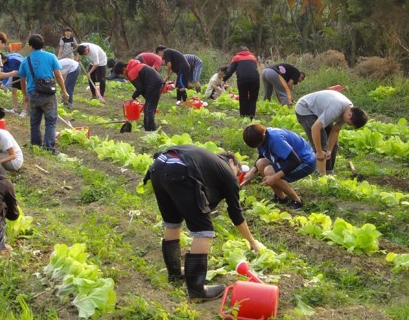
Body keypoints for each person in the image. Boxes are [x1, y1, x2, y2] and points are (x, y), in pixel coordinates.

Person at [144, 145, 260, 301]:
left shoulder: (207, 162)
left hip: (159, 166)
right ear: (231, 161)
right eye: (238, 172)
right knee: (204, 230)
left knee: (172, 222)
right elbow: (235, 214)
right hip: (179, 169)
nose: (237, 177)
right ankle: (197, 290)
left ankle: (175, 274)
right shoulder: (226, 171)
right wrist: (252, 241)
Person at [242, 124, 316, 209]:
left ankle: (297, 201)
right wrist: (251, 172)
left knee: (269, 171)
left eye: (259, 144)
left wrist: (274, 177)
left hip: (305, 161)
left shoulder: (276, 139)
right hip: (288, 159)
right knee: (260, 163)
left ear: (264, 134)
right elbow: (262, 156)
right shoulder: (259, 137)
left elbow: (295, 161)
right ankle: (281, 198)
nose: (259, 146)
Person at [295, 90, 368, 175]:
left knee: (333, 145)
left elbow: (335, 130)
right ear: (349, 116)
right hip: (305, 108)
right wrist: (319, 151)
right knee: (322, 144)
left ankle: (329, 172)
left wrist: (329, 150)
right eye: (348, 123)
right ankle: (321, 176)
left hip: (320, 111)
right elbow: (315, 128)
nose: (347, 124)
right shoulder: (336, 108)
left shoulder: (349, 110)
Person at [19, 34, 70, 154]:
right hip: (48, 94)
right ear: (42, 45)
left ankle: (36, 145)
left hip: (33, 93)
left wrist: (25, 95)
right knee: (51, 121)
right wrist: (64, 91)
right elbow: (58, 76)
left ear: (30, 46)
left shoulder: (25, 61)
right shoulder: (51, 57)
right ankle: (49, 147)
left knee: (34, 122)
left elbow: (22, 80)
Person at [113, 59, 163, 131]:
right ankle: (148, 126)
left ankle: (150, 130)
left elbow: (140, 88)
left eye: (120, 74)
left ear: (124, 69)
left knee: (148, 109)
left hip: (154, 84)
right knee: (149, 107)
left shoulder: (131, 72)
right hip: (155, 82)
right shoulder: (133, 67)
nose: (122, 76)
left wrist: (133, 97)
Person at [223, 46, 260, 118]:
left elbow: (230, 71)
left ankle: (243, 115)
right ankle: (251, 116)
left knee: (243, 97)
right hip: (255, 79)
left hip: (242, 80)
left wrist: (224, 79)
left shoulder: (236, 57)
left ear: (239, 51)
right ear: (248, 51)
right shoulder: (253, 57)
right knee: (253, 98)